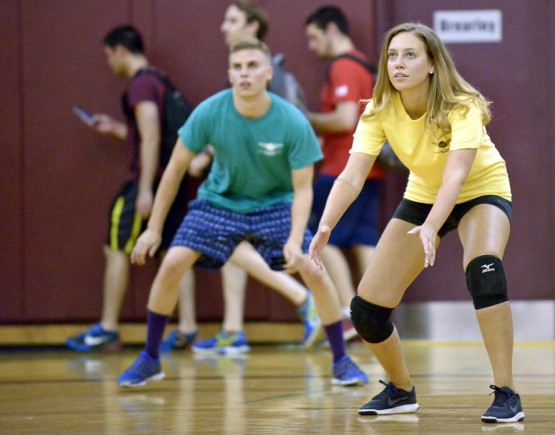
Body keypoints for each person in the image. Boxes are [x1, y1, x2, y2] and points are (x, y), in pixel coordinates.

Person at [117, 38, 369, 388]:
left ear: (268, 73)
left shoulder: (291, 120)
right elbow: (174, 170)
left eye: (252, 66)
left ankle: (342, 360)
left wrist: (296, 240)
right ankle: (149, 358)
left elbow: (302, 189)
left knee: (313, 268)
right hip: (219, 202)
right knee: (173, 261)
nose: (244, 73)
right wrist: (154, 228)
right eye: (237, 67)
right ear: (230, 74)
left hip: (275, 203)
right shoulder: (209, 112)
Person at [309, 22, 525, 423]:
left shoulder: (462, 105)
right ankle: (400, 390)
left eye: (410, 55)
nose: (399, 63)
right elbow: (351, 177)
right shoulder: (378, 110)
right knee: (366, 310)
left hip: (481, 190)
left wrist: (431, 227)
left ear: (431, 64)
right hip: (423, 195)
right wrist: (325, 226)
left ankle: (507, 393)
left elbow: (457, 176)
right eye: (392, 55)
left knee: (484, 269)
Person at [176, 0, 321, 355]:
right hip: (238, 190)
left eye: (233, 20)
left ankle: (310, 301)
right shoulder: (235, 79)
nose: (224, 27)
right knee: (228, 243)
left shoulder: (277, 81)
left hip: (277, 190)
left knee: (300, 248)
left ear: (253, 27)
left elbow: (280, 133)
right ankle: (232, 329)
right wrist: (208, 153)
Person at [66, 25, 198, 352]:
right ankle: (188, 327)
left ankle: (109, 328)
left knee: (115, 247)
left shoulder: (140, 85)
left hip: (151, 181)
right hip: (175, 178)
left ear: (121, 51)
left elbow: (152, 136)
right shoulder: (159, 79)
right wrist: (116, 130)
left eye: (109, 55)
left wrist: (144, 189)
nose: (110, 63)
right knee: (174, 251)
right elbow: (152, 135)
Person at [304, 6, 385, 335]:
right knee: (364, 238)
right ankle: (378, 312)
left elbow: (343, 119)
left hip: (344, 167)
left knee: (324, 239)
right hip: (372, 169)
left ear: (332, 30)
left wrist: (304, 117)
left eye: (314, 37)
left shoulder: (344, 66)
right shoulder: (365, 65)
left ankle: (352, 315)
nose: (311, 46)